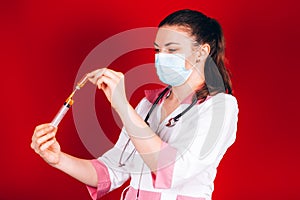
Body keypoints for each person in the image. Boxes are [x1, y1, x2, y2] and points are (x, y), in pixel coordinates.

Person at [31, 9, 238, 200]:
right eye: (157, 50)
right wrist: (58, 159)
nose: (161, 58)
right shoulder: (148, 105)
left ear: (201, 52)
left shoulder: (220, 107)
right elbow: (112, 170)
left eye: (172, 49)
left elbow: (172, 171)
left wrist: (122, 106)